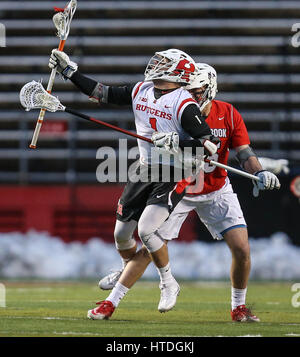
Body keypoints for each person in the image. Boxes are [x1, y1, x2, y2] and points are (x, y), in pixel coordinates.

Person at [96, 63, 281, 322]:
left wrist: (259, 172)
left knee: (241, 248)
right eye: (188, 90)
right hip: (180, 186)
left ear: (210, 89)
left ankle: (238, 307)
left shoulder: (227, 113)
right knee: (149, 246)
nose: (191, 96)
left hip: (216, 189)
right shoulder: (174, 109)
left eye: (197, 91)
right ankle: (110, 302)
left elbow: (244, 152)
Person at [49, 49, 219, 319]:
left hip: (174, 171)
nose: (156, 65)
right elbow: (101, 93)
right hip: (144, 168)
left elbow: (210, 145)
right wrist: (70, 72)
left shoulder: (184, 103)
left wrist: (178, 142)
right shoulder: (142, 89)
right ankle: (127, 269)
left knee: (147, 230)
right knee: (121, 236)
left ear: (176, 72)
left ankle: (167, 282)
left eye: (164, 63)